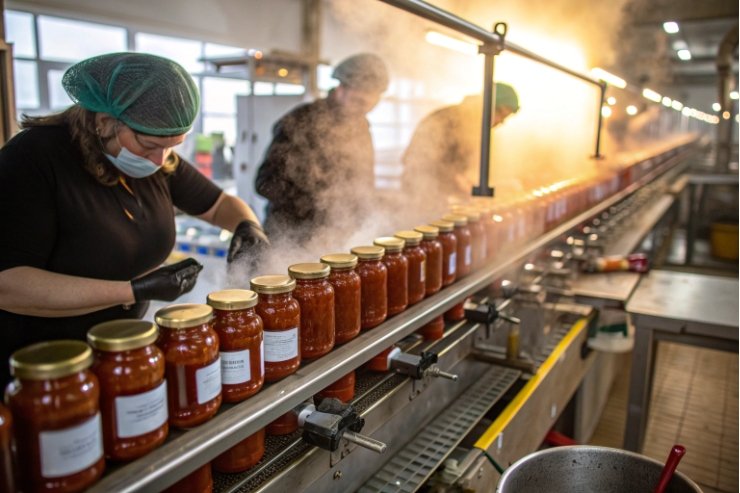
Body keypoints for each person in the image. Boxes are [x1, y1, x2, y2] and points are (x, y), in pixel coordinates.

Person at [0, 52, 267, 385]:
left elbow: (218, 204)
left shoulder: (154, 160)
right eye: (149, 144)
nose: (160, 159)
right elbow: (8, 285)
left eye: (172, 147)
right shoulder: (32, 160)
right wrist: (132, 290)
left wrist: (247, 226)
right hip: (45, 369)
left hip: (123, 352)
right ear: (104, 122)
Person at [255, 53, 389, 242]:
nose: (363, 111)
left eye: (369, 105)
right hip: (291, 239)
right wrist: (321, 199)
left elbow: (363, 183)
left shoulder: (360, 127)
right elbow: (264, 184)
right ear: (340, 88)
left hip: (337, 237)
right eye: (358, 102)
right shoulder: (300, 122)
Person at [402, 82, 520, 199]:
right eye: (502, 116)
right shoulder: (451, 120)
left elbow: (458, 167)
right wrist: (460, 183)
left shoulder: (473, 125)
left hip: (440, 193)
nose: (501, 122)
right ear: (490, 107)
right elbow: (423, 161)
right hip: (421, 191)